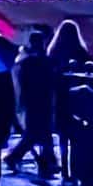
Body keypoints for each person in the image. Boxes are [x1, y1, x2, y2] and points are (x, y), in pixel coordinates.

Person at [5, 28, 57, 177]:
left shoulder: (26, 61)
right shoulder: (43, 61)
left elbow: (23, 82)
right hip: (42, 99)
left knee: (35, 132)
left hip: (33, 99)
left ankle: (46, 160)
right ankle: (47, 161)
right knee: (39, 132)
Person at [47, 19, 89, 182]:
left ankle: (65, 169)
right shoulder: (80, 51)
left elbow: (50, 75)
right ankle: (77, 169)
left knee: (63, 136)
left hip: (60, 98)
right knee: (77, 137)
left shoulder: (54, 52)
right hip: (77, 98)